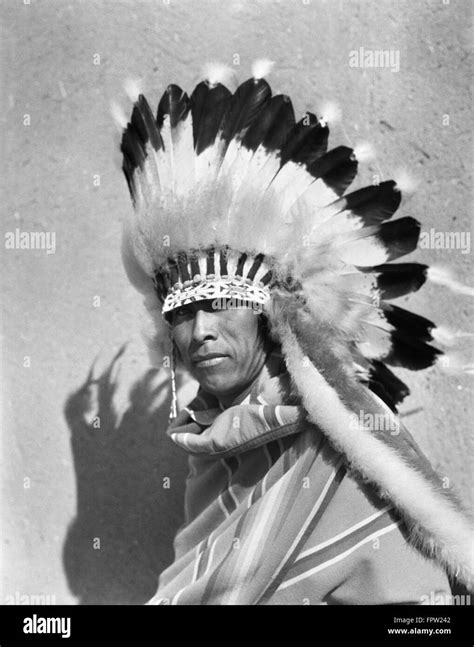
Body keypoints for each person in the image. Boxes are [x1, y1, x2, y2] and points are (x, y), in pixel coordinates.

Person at [116, 61, 473, 604]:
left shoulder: (339, 445)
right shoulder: (208, 455)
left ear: (268, 315)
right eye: (182, 313)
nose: (200, 331)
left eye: (220, 304)